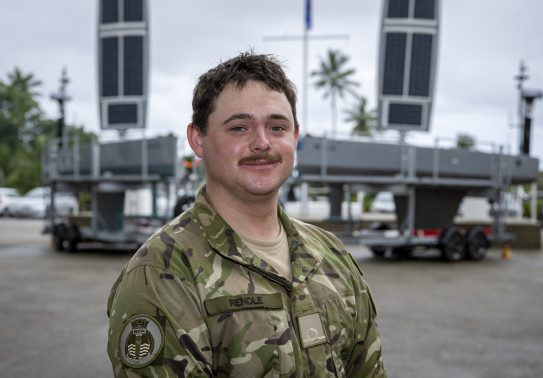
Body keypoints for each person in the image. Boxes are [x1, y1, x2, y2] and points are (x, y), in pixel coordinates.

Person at [107, 51, 386, 377]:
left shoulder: (332, 254)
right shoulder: (161, 271)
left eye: (277, 127)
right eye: (239, 127)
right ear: (198, 139)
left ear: (294, 138)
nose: (262, 142)